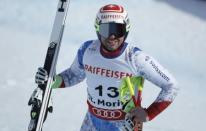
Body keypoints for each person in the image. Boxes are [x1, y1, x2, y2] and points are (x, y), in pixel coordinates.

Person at [35, 4, 178, 131]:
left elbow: (171, 86)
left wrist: (148, 114)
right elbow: (74, 74)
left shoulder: (136, 58)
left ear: (126, 29)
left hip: (124, 124)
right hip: (92, 120)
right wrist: (52, 81)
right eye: (106, 29)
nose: (112, 36)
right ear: (97, 28)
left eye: (118, 29)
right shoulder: (87, 49)